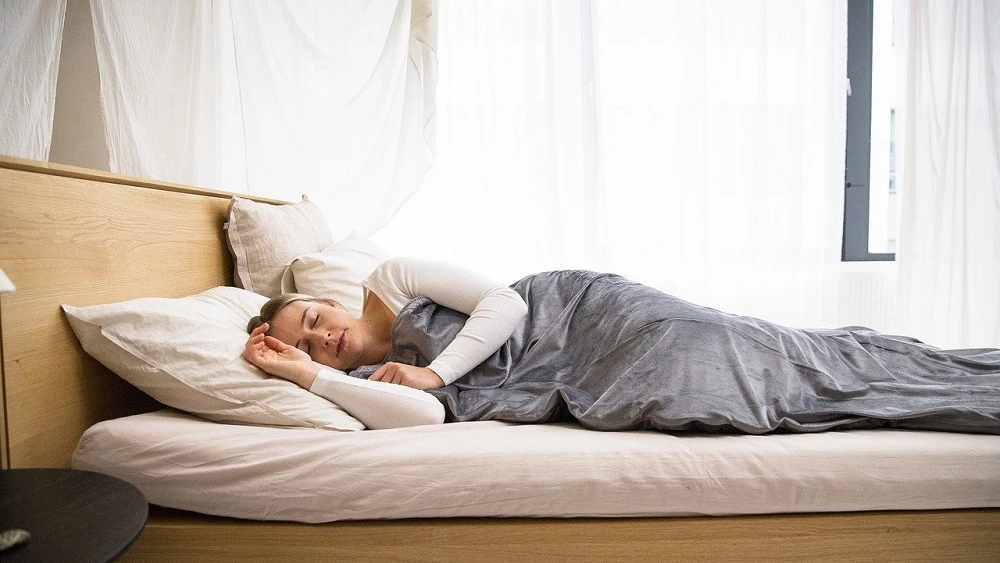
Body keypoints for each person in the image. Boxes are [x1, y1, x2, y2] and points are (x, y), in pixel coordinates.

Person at [244, 257, 1000, 434]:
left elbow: (505, 303)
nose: (321, 335)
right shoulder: (376, 378)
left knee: (797, 357)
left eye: (312, 318)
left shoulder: (390, 277)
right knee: (813, 383)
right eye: (311, 343)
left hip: (583, 316)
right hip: (577, 371)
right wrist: (309, 376)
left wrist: (436, 368)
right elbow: (425, 420)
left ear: (327, 298)